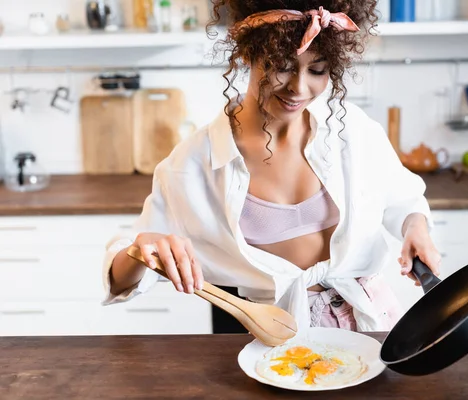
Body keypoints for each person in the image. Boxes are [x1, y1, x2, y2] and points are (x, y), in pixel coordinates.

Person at [102, 0, 441, 333]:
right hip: (272, 339)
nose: (299, 87)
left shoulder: (352, 130)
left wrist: (415, 228)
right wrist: (140, 250)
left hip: (373, 326)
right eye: (282, 65)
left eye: (318, 70)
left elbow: (404, 200)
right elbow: (121, 281)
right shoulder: (192, 165)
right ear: (248, 53)